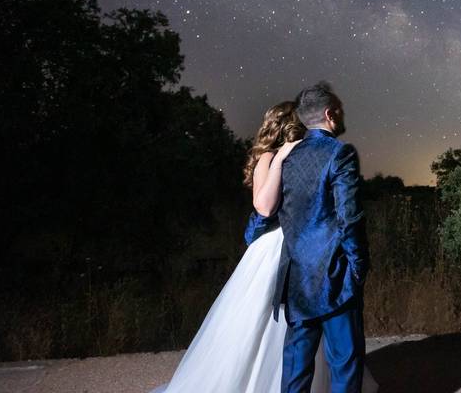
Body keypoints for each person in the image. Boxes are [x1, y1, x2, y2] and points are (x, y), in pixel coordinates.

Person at [152, 100, 377, 393]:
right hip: (274, 250)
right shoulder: (269, 157)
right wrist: (280, 160)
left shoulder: (308, 157)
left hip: (304, 247)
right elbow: (264, 206)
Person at [275, 82, 370, 393]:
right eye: (339, 111)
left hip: (297, 278)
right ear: (330, 114)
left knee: (296, 365)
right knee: (344, 360)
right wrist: (358, 266)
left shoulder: (287, 157)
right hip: (335, 276)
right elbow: (349, 217)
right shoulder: (340, 154)